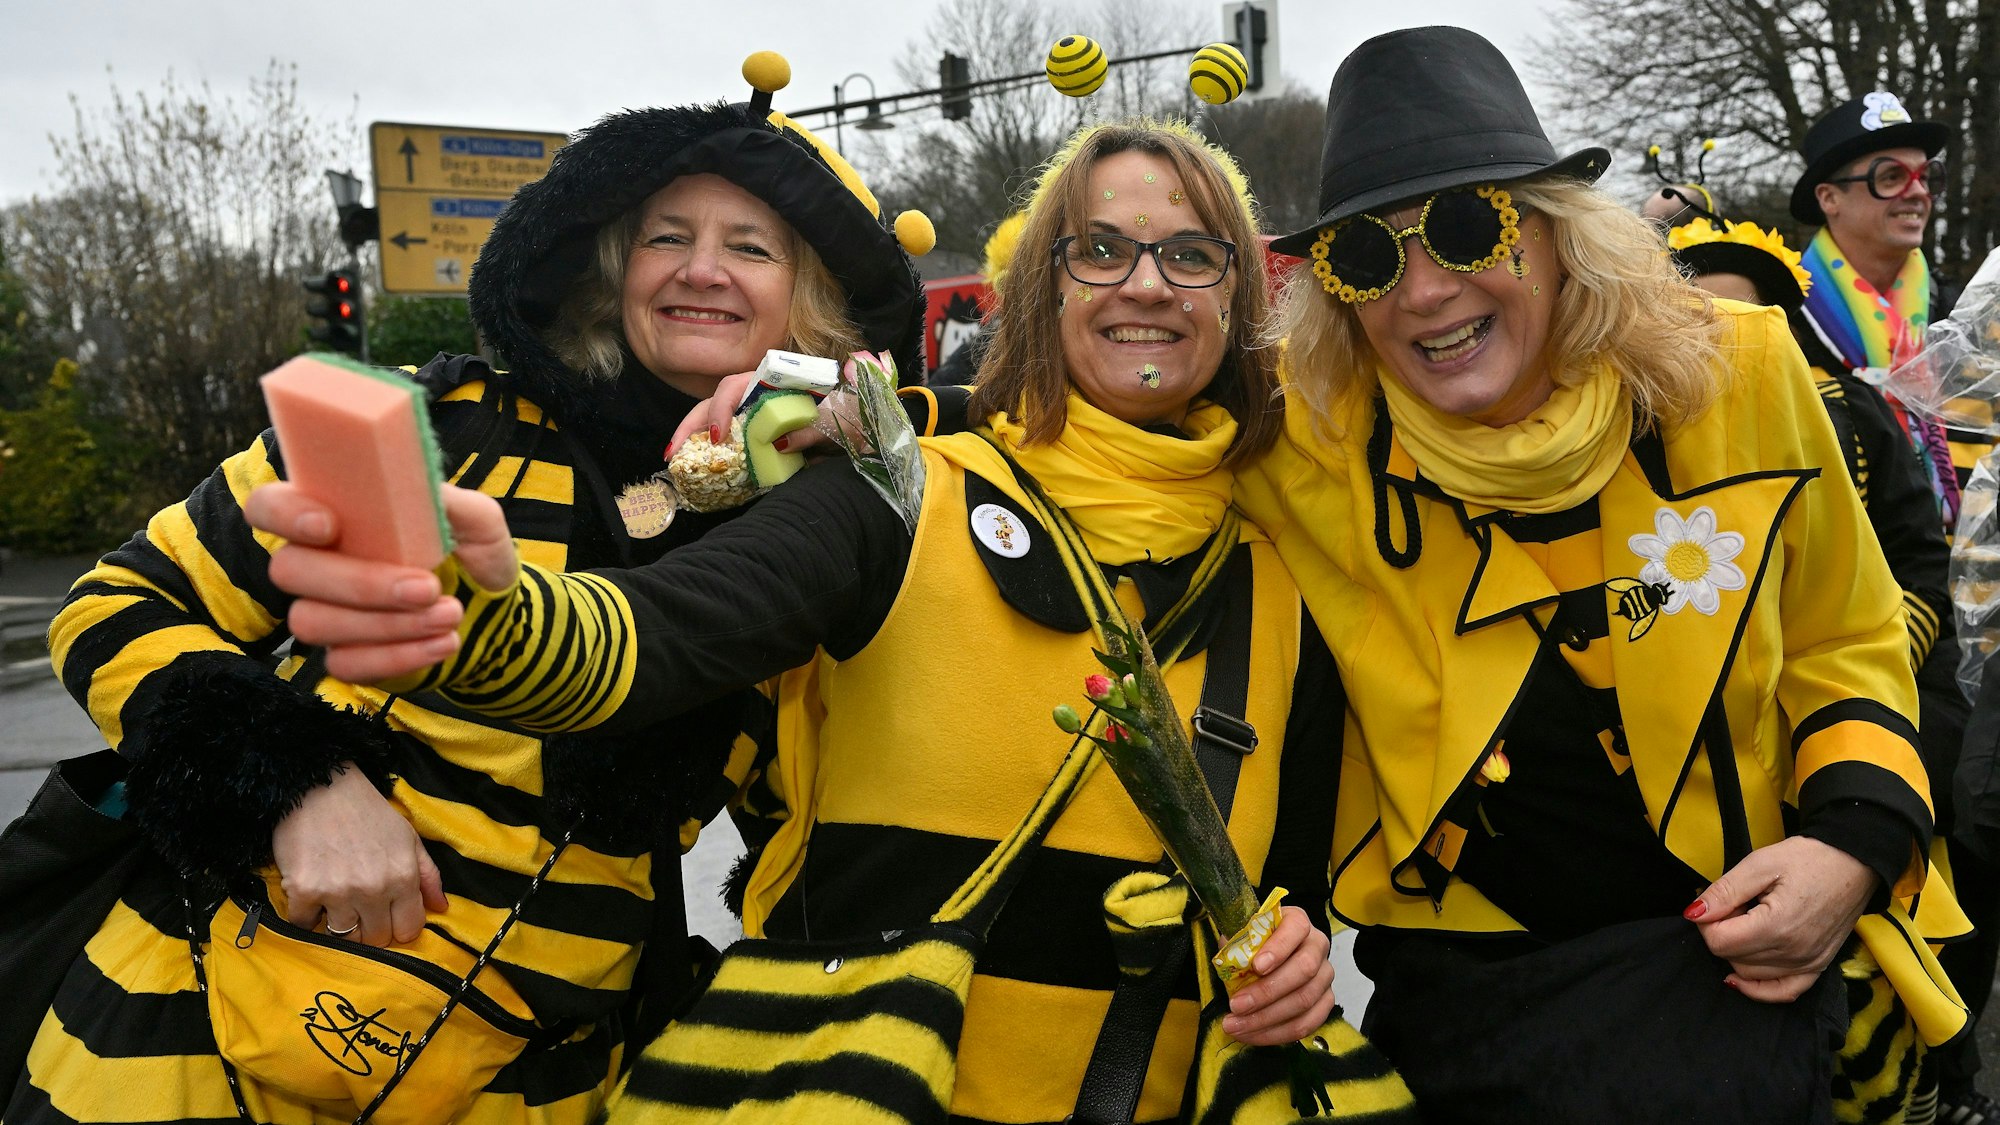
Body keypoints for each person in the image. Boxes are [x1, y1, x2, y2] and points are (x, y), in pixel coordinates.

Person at [250, 118, 1354, 1124]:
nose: (1146, 284)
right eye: (1099, 250)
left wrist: (1291, 959)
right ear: (1042, 291)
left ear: (1237, 299)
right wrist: (485, 617)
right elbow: (663, 631)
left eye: (1191, 254)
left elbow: (1280, 904)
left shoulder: (1281, 583)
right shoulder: (899, 491)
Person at [8, 53, 932, 1124]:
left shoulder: (808, 534)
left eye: (751, 247)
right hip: (189, 1048)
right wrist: (296, 785)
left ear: (810, 302)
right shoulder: (438, 425)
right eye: (665, 236)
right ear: (611, 270)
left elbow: (819, 834)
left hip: (541, 1086)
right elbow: (117, 604)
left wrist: (858, 450)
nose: (700, 270)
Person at [1231, 27, 1967, 1121]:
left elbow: (1843, 639)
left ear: (1560, 231)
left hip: (1738, 966)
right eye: (1368, 258)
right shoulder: (1307, 447)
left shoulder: (1737, 373)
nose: (1422, 292)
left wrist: (1850, 846)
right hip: (1469, 1001)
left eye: (1467, 227)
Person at [1790, 90, 1986, 532]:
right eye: (1891, 176)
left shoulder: (1965, 316)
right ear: (1829, 198)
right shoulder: (1783, 322)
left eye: (1926, 176)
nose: (1917, 192)